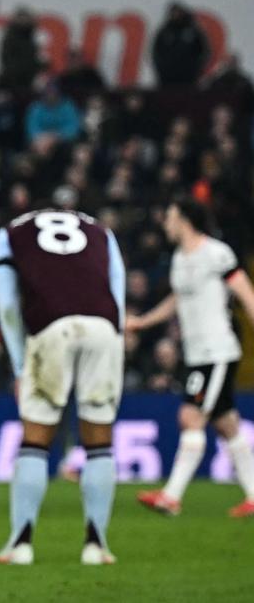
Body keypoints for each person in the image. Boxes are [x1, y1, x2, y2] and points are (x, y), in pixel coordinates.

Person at [0, 208, 126, 565]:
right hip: (104, 329)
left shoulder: (10, 233)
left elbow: (8, 308)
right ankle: (97, 545)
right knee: (99, 441)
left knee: (35, 440)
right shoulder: (101, 231)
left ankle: (21, 543)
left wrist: (21, 366)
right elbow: (118, 293)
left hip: (51, 328)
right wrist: (117, 340)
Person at [127, 199, 254, 518]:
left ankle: (171, 497)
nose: (165, 223)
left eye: (169, 217)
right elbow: (177, 300)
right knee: (227, 424)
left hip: (217, 350)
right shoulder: (180, 259)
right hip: (197, 353)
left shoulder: (216, 253)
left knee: (190, 416)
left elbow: (245, 293)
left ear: (185, 220)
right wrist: (143, 322)